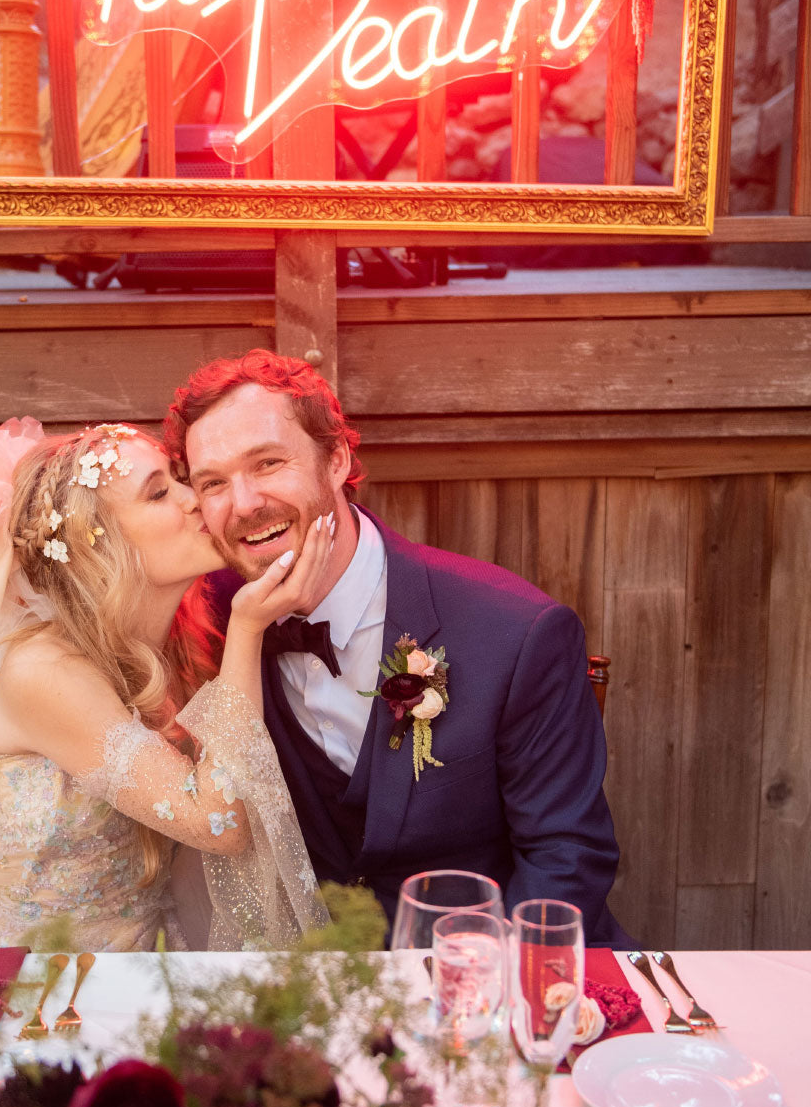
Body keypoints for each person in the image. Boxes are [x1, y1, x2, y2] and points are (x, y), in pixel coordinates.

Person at [160, 351, 629, 948]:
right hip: (320, 982)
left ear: (336, 460)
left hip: (482, 978)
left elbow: (567, 856)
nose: (246, 502)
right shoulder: (211, 617)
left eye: (268, 463)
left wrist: (480, 992)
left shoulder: (516, 632)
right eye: (214, 483)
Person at [0, 417, 330, 953]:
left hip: (125, 964)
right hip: (2, 977)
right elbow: (221, 825)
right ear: (98, 549)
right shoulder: (44, 672)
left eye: (179, 478)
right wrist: (248, 629)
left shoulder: (186, 634)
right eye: (158, 493)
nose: (195, 499)